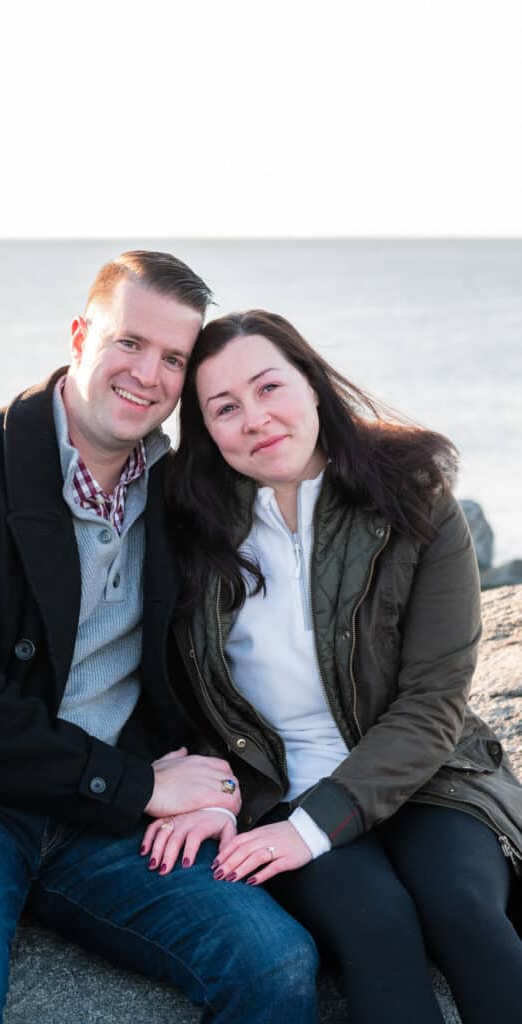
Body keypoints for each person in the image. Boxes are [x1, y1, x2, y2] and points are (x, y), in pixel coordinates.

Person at [0, 265, 319, 1023]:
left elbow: (218, 660)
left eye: (173, 359)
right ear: (78, 337)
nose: (147, 375)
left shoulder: (180, 491)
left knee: (274, 961)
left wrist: (221, 784)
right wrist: (140, 789)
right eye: (129, 342)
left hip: (107, 813)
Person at [146, 309, 522, 1024]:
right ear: (203, 429)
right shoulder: (183, 525)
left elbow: (432, 702)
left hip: (428, 776)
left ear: (312, 384)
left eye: (269, 388)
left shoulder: (413, 496)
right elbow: (164, 683)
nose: (255, 418)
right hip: (277, 789)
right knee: (376, 929)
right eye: (224, 408)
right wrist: (202, 782)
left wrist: (314, 827)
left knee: (464, 913)